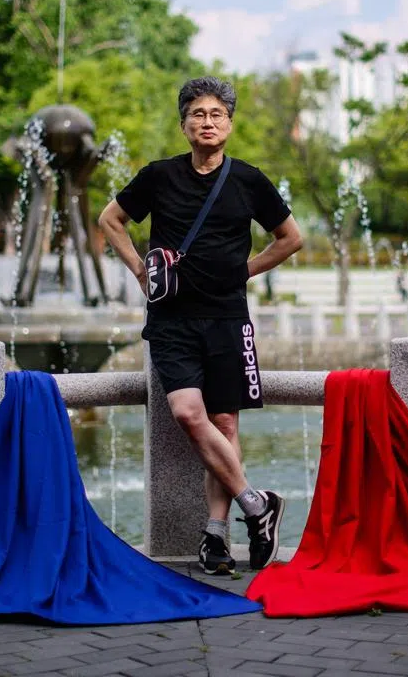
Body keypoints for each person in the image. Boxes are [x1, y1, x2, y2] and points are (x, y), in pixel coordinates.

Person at [98, 76, 303, 575]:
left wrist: (245, 269)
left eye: (216, 114)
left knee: (226, 423)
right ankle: (257, 506)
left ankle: (214, 536)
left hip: (228, 319)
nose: (207, 122)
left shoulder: (249, 180)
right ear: (183, 123)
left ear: (229, 123)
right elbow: (110, 220)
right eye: (197, 114)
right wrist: (141, 272)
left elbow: (290, 238)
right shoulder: (159, 176)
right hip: (171, 319)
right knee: (190, 414)